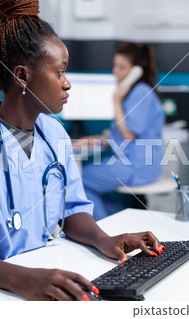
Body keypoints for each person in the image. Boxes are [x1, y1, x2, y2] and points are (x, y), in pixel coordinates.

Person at [0, 0, 164, 301]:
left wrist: (106, 240)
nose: (67, 84)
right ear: (22, 76)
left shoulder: (54, 133)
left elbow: (73, 210)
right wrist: (24, 279)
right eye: (59, 72)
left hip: (34, 275)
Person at [78, 42, 165, 221]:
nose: (115, 71)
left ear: (136, 71)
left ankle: (103, 228)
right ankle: (118, 222)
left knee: (80, 179)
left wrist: (116, 101)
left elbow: (127, 134)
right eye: (115, 66)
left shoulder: (141, 92)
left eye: (121, 67)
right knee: (92, 180)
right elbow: (120, 135)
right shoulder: (135, 93)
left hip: (136, 166)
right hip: (133, 163)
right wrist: (97, 139)